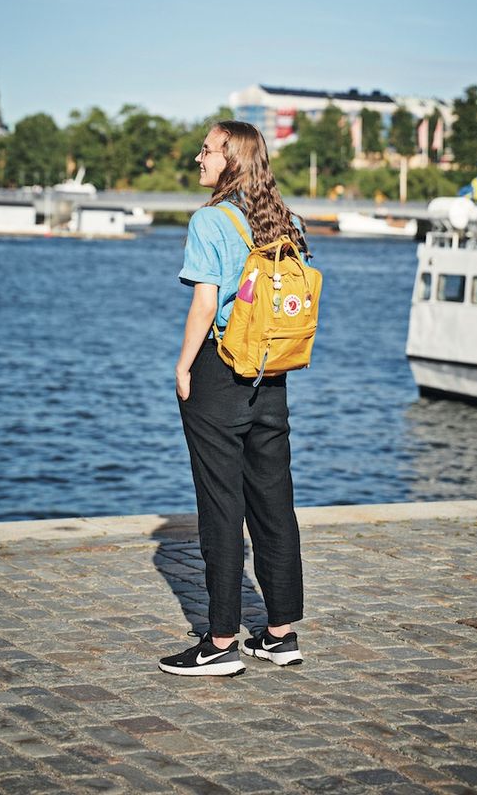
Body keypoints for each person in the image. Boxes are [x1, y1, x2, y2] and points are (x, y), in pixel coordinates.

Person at [158, 120, 309, 677]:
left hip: (222, 372)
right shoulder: (281, 218)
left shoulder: (209, 220)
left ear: (231, 159)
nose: (198, 158)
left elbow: (205, 304)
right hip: (273, 375)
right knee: (273, 503)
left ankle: (219, 643)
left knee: (221, 506)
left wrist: (181, 366)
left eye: (207, 150)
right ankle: (279, 634)